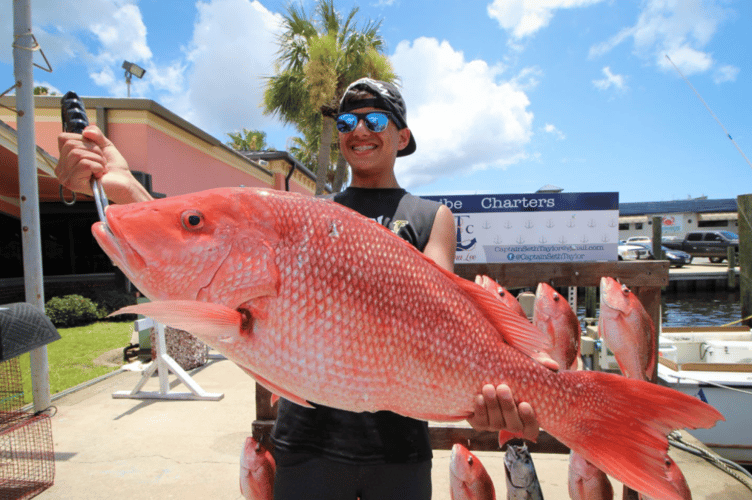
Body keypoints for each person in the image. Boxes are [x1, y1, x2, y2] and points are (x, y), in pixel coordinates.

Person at [56, 78, 552, 500]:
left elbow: (442, 302)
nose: (358, 130)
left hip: (398, 444)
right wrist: (126, 192)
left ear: (402, 136)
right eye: (346, 122)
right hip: (308, 440)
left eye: (375, 120)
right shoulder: (312, 213)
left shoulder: (429, 216)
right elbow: (207, 256)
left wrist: (520, 374)